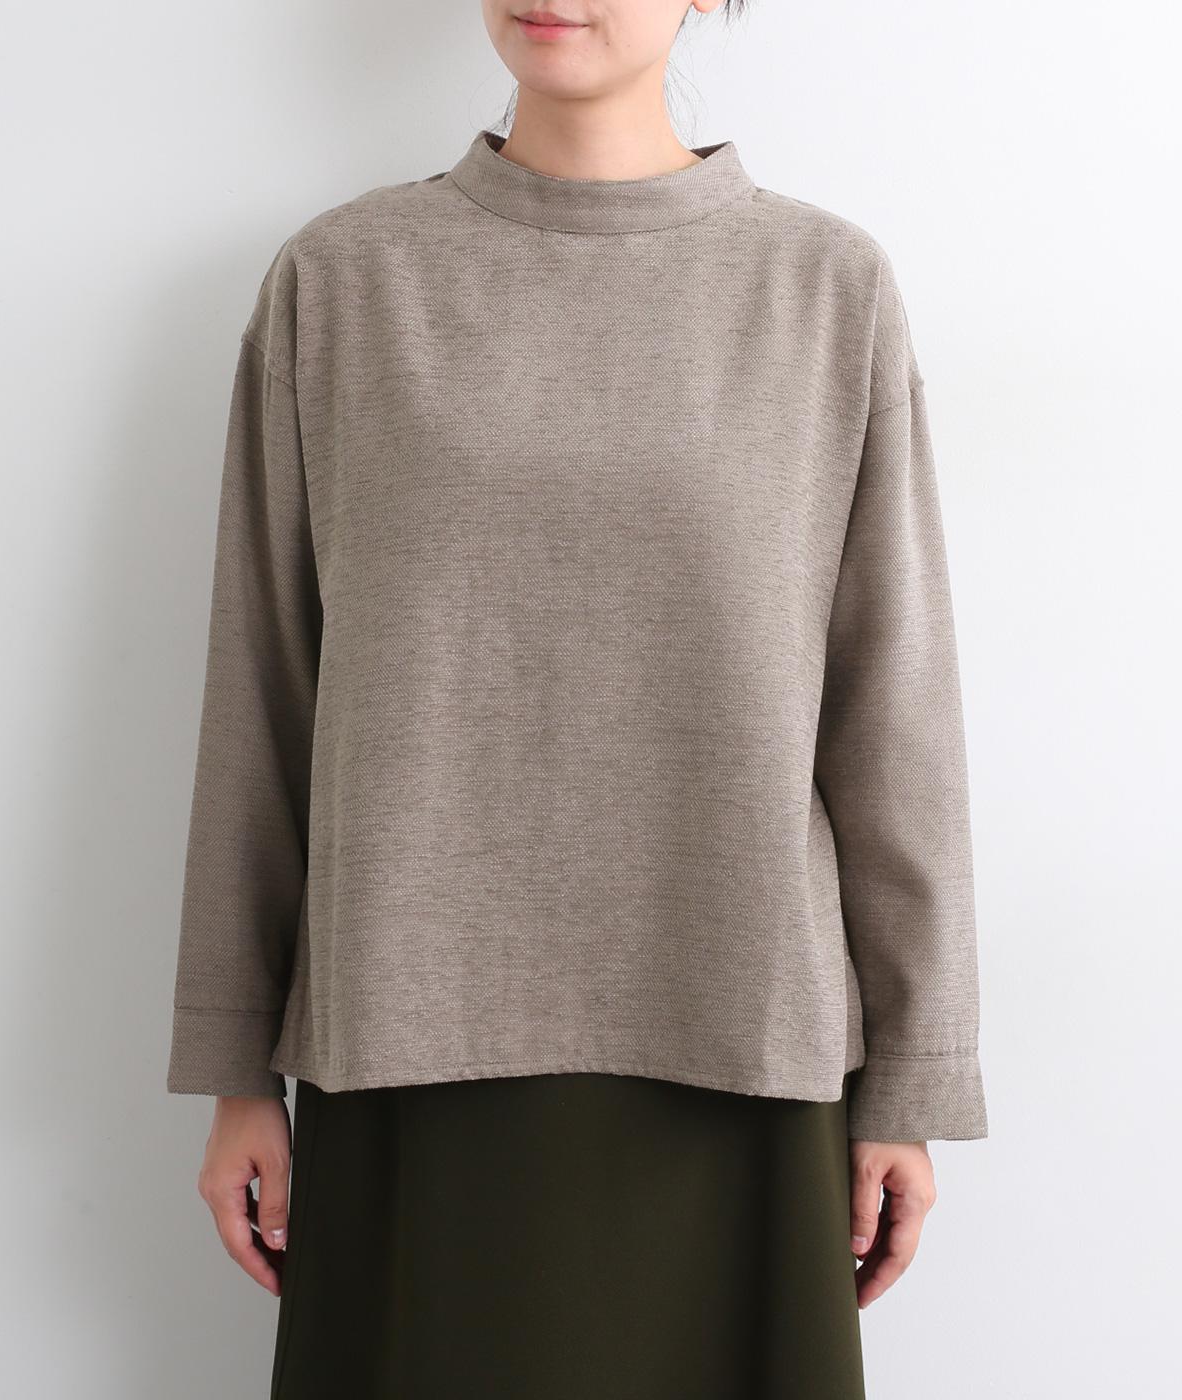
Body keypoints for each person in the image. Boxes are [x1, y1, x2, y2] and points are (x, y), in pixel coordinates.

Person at [166, 3, 989, 1396]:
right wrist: (236, 1065)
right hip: (404, 1051)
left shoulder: (822, 287)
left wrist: (913, 1076)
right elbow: (263, 689)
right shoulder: (345, 281)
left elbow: (891, 710)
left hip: (738, 1045)